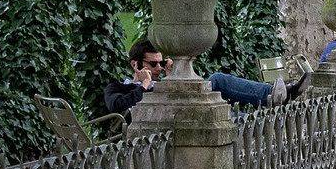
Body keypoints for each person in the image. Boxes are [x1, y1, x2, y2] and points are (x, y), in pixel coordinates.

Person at [105, 40, 306, 119]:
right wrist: (145, 85)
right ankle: (260, 119)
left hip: (186, 106)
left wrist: (172, 77)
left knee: (217, 79)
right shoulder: (118, 87)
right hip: (171, 117)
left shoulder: (163, 78)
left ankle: (276, 95)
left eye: (160, 62)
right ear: (135, 64)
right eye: (152, 64)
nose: (158, 68)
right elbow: (116, 106)